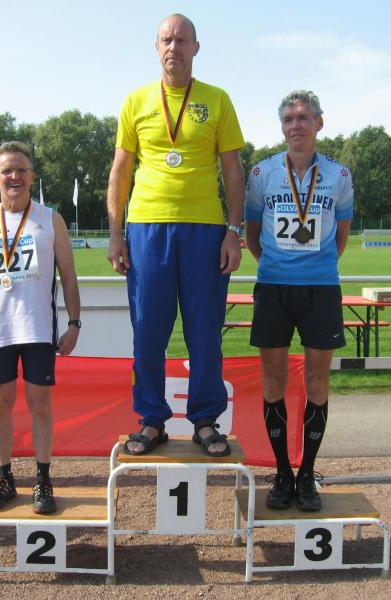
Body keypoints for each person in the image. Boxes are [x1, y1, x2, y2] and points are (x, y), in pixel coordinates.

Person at [106, 14, 245, 457]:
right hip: (147, 228)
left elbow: (233, 170)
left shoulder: (217, 100)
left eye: (182, 40)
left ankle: (205, 420)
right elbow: (120, 171)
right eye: (166, 39)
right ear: (156, 47)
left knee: (204, 331)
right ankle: (151, 418)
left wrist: (234, 232)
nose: (174, 47)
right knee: (148, 330)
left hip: (205, 230)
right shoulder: (136, 101)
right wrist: (115, 233)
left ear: (196, 48)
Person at [244, 91, 354, 511]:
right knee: (274, 381)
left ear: (319, 123)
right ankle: (282, 473)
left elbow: (341, 236)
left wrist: (315, 267)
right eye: (289, 119)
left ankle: (306, 473)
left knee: (316, 382)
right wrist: (276, 265)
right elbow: (252, 232)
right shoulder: (262, 172)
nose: (296, 125)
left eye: (304, 117)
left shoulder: (339, 175)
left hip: (321, 288)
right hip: (273, 286)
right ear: (282, 126)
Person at [0, 141, 81, 514]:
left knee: (40, 404)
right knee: (0, 404)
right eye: (7, 170)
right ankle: (4, 478)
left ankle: (42, 479)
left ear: (32, 176)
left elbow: (69, 276)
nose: (15, 176)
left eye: (21, 170)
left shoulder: (50, 219)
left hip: (39, 329)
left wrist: (74, 323)